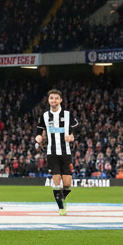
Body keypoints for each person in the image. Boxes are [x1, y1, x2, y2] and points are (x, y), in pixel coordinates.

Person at [34, 88, 78, 216]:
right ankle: (61, 207)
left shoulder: (68, 115)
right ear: (48, 100)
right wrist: (39, 137)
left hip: (66, 152)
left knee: (67, 185)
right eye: (51, 98)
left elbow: (77, 128)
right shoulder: (45, 116)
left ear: (60, 100)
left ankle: (61, 198)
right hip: (52, 152)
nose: (54, 100)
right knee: (57, 180)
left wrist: (72, 136)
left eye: (56, 98)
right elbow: (39, 129)